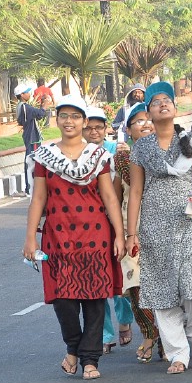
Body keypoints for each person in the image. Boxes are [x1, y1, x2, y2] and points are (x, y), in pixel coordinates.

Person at [23, 95, 125, 380]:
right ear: (57, 120)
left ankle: (90, 360)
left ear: (84, 121)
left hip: (95, 234)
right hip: (58, 235)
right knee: (63, 298)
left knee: (94, 299)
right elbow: (38, 197)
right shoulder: (44, 155)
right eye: (64, 116)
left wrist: (119, 234)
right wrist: (30, 237)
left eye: (75, 116)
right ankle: (73, 346)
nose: (69, 121)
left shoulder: (98, 156)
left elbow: (109, 197)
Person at [125, 82, 192, 374]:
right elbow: (135, 192)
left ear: (175, 109)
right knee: (162, 290)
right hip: (153, 224)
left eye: (167, 101)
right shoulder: (141, 148)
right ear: (148, 113)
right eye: (155, 102)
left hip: (188, 220)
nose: (162, 105)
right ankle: (178, 352)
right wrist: (132, 233)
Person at [84, 107, 134, 354]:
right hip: (90, 226)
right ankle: (104, 334)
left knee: (120, 275)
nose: (93, 132)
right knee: (96, 282)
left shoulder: (119, 152)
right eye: (89, 127)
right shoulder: (76, 155)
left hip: (117, 222)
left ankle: (125, 320)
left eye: (98, 127)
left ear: (107, 129)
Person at [115, 103, 162, 364]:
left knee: (164, 287)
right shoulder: (122, 160)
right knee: (136, 288)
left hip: (164, 230)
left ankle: (167, 336)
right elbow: (115, 198)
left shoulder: (169, 153)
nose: (145, 124)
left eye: (148, 119)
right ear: (128, 130)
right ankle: (149, 333)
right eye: (138, 121)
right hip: (132, 234)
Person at [14, 80, 51, 196]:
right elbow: (39, 114)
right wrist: (45, 105)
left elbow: (36, 114)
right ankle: (30, 186)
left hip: (29, 135)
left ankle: (31, 186)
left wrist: (41, 106)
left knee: (31, 161)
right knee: (32, 162)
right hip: (32, 137)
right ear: (22, 95)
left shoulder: (22, 107)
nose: (29, 94)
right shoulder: (25, 107)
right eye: (26, 92)